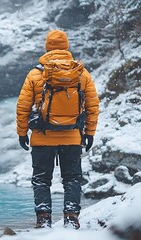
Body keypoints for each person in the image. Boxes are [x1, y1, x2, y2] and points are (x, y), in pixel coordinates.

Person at [16, 30, 100, 229]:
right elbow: (92, 105)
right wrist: (89, 132)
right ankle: (71, 218)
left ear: (47, 47)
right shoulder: (81, 73)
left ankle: (43, 220)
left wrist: (21, 133)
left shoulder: (36, 74)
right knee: (72, 178)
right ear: (66, 47)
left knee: (41, 180)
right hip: (72, 136)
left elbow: (23, 106)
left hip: (42, 136)